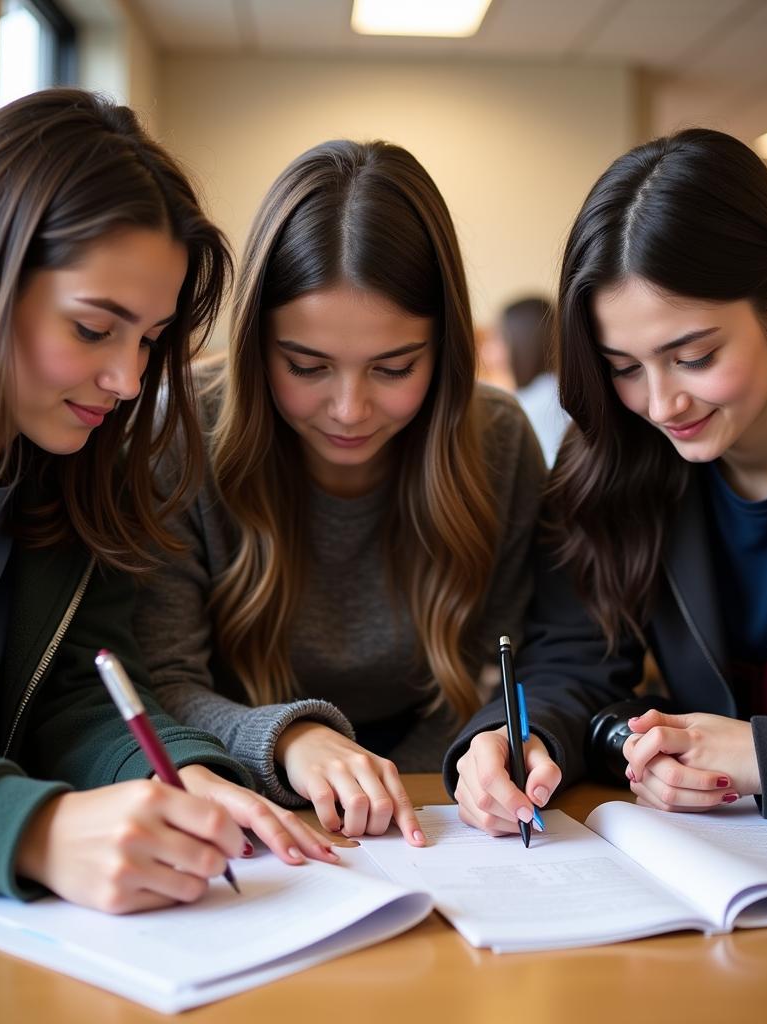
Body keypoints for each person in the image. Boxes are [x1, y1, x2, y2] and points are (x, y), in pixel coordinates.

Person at [0, 89, 335, 914]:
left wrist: (179, 771)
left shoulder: (75, 459)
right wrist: (30, 828)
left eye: (150, 340)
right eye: (94, 329)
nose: (127, 381)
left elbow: (79, 694)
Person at [447, 127, 767, 832]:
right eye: (624, 367)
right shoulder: (616, 455)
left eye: (693, 355)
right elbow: (577, 657)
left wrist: (766, 753)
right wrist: (520, 736)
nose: (661, 405)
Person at [136, 139, 544, 845]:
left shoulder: (498, 441)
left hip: (439, 815)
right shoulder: (180, 431)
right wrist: (293, 742)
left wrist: (438, 774)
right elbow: (161, 682)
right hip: (247, 801)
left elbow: (507, 663)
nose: (350, 409)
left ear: (445, 350)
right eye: (307, 365)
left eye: (393, 368)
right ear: (256, 345)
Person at [498, 296, 570, 465]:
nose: (489, 351)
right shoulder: (555, 388)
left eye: (499, 339)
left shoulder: (532, 403)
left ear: (522, 342)